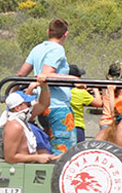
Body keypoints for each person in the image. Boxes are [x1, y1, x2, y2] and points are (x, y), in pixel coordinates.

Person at [16, 18, 77, 155]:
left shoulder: (37, 48)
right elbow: (47, 74)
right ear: (65, 34)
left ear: (48, 32)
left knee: (48, 147)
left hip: (42, 105)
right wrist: (73, 79)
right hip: (58, 106)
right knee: (64, 152)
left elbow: (22, 73)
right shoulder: (58, 49)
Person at [1, 75, 57, 164]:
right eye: (27, 104)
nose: (30, 106)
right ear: (18, 108)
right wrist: (37, 157)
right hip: (21, 170)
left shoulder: (21, 119)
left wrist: (43, 85)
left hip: (29, 165)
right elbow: (10, 157)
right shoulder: (14, 126)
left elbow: (44, 104)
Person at [68, 64, 103, 144]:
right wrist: (95, 89)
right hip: (77, 127)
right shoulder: (80, 92)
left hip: (64, 126)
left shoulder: (62, 91)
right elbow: (99, 103)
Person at [100, 60, 122, 129]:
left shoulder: (106, 88)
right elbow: (113, 112)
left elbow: (115, 113)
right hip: (111, 124)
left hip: (116, 123)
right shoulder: (106, 88)